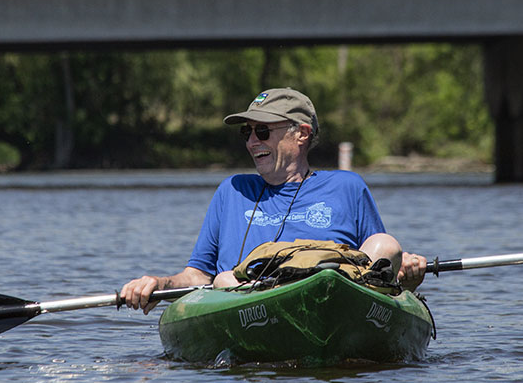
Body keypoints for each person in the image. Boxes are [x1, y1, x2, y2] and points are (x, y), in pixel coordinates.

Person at [120, 87, 427, 313]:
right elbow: (197, 277)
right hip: (252, 306)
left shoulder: (347, 186)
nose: (253, 142)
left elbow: (381, 270)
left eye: (263, 131)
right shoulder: (232, 191)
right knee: (223, 279)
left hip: (337, 302)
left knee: (387, 244)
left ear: (302, 134)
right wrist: (159, 284)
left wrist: (406, 277)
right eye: (247, 132)